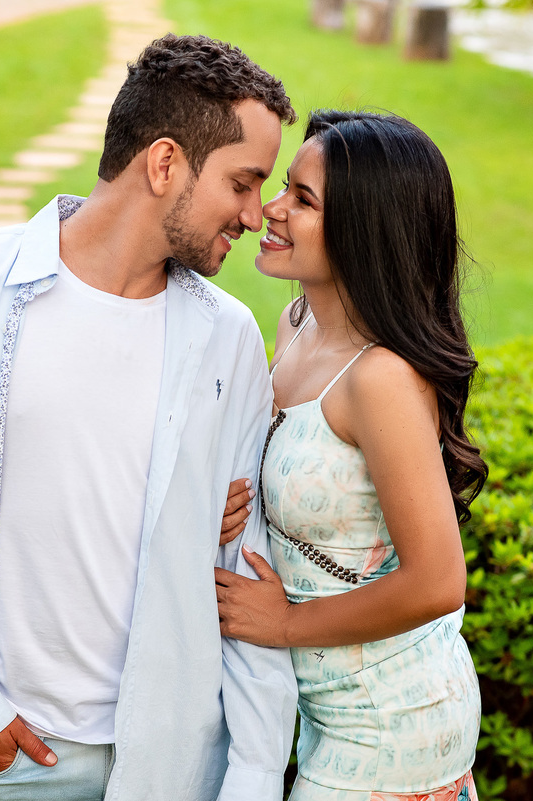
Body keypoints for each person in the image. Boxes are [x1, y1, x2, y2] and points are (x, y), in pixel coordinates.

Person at [0, 34, 300, 801]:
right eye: (244, 182)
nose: (258, 214)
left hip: (172, 769)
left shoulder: (227, 339)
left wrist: (253, 775)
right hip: (3, 761)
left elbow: (242, 567)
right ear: (164, 164)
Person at [214, 110, 488, 801]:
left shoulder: (381, 378)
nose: (270, 210)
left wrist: (286, 624)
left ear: (366, 230)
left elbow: (437, 581)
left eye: (303, 201)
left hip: (392, 723)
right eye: (286, 187)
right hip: (327, 709)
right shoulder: (297, 323)